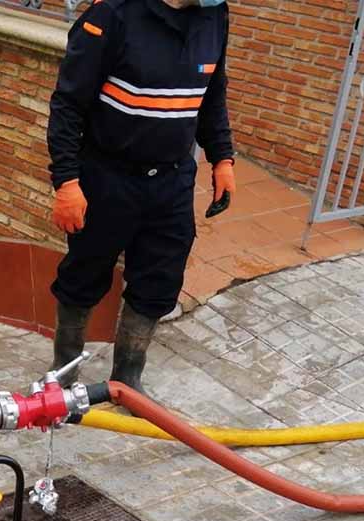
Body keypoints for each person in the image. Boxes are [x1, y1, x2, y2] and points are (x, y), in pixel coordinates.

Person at [46, 0, 237, 394]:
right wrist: (67, 182)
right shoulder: (113, 14)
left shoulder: (214, 14)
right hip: (107, 178)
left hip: (171, 181)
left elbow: (212, 93)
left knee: (159, 281)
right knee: (83, 276)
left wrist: (222, 157)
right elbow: (68, 104)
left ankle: (127, 380)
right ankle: (63, 377)